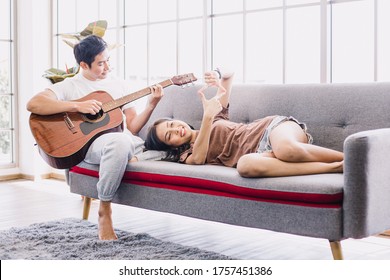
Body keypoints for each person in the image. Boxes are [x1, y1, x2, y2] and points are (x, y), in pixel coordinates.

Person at [27, 35, 165, 240]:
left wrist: (152, 104)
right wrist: (76, 106)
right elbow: (34, 104)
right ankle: (106, 212)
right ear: (84, 64)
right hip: (85, 147)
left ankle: (104, 207)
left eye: (108, 60)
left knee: (124, 140)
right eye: (100, 63)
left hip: (114, 141)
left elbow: (133, 126)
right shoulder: (70, 86)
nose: (107, 67)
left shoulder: (119, 85)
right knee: (123, 142)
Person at [144, 69, 344, 177]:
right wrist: (207, 118)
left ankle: (352, 159)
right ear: (171, 147)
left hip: (272, 129)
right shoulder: (188, 156)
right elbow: (198, 159)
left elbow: (229, 75)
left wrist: (217, 75)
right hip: (262, 156)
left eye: (172, 125)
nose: (176, 130)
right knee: (245, 166)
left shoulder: (216, 116)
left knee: (285, 150)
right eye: (169, 136)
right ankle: (336, 167)